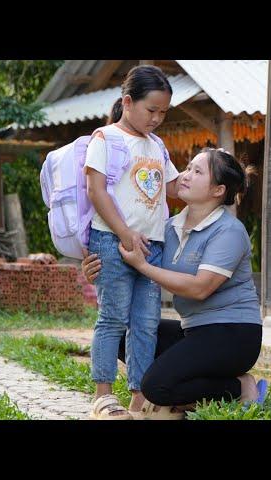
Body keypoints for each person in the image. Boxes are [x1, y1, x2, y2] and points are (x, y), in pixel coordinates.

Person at [82, 147, 267, 420]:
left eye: (197, 171)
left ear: (218, 190)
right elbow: (129, 261)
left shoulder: (229, 231)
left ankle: (238, 386)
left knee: (156, 387)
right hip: (194, 331)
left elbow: (200, 288)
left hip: (234, 334)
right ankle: (199, 383)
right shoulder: (168, 227)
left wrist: (143, 266)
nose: (185, 175)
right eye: (188, 167)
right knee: (122, 336)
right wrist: (96, 270)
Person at [84, 65, 181, 419]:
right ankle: (103, 394)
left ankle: (140, 397)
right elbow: (96, 191)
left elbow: (172, 187)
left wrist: (214, 174)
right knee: (112, 318)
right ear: (128, 102)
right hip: (112, 241)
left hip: (152, 248)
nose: (157, 119)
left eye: (163, 113)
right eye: (151, 110)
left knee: (146, 322)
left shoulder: (157, 145)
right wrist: (125, 234)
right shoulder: (106, 139)